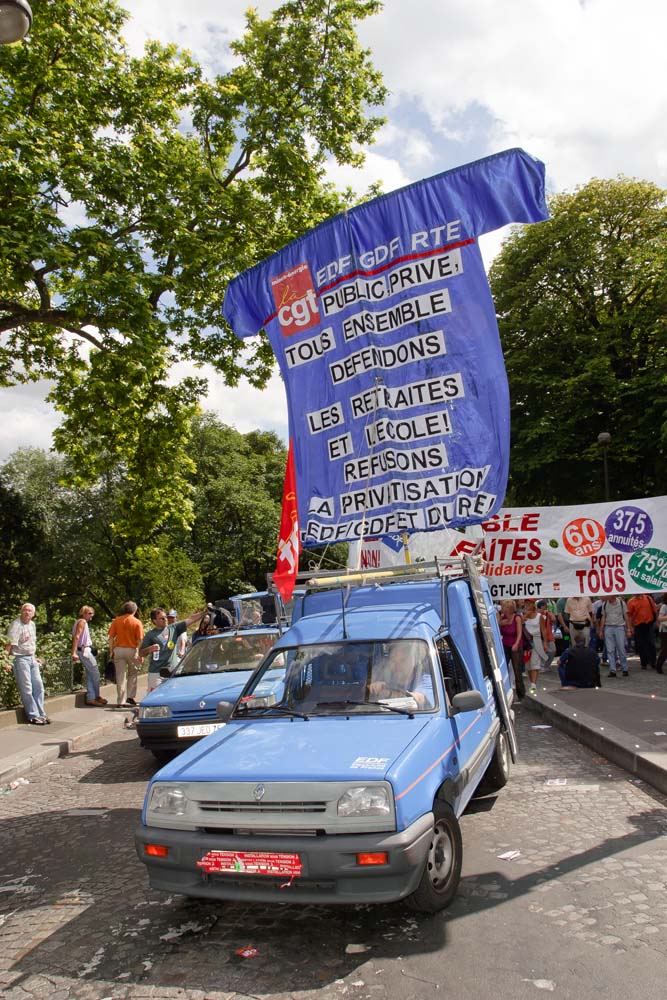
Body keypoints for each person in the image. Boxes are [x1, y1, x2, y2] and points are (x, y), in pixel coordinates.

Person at [140, 606, 211, 692]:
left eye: (165, 617)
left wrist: (204, 612)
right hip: (156, 673)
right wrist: (150, 649)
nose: (165, 619)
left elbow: (191, 619)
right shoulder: (150, 635)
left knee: (172, 697)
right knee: (155, 700)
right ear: (154, 621)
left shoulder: (174, 628)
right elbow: (141, 653)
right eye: (162, 618)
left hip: (172, 672)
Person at [4, 603, 49, 725]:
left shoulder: (32, 624)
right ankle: (33, 715)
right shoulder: (16, 625)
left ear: (33, 614)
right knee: (27, 688)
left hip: (31, 658)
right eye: (25, 610)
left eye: (29, 610)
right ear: (21, 611)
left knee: (38, 686)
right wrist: (6, 661)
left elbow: (31, 642)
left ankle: (41, 713)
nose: (27, 612)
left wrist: (34, 656)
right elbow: (9, 644)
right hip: (20, 659)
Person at [369, 642, 434, 709]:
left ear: (414, 660)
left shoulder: (427, 680)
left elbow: (419, 699)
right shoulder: (387, 679)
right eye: (393, 660)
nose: (397, 665)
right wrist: (374, 688)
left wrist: (390, 693)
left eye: (402, 660)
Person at [108, 601, 144, 708]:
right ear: (135, 610)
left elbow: (111, 638)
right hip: (132, 650)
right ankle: (130, 696)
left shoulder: (116, 621)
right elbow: (140, 639)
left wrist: (111, 650)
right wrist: (139, 653)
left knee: (120, 676)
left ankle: (121, 701)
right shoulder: (137, 622)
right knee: (133, 673)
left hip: (119, 649)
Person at [72, 605, 107, 706]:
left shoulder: (83, 622)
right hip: (84, 651)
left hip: (86, 650)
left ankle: (92, 696)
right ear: (84, 613)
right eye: (89, 613)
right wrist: (73, 652)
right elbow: (76, 637)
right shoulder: (82, 622)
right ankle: (95, 696)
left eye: (92, 613)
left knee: (90, 673)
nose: (91, 616)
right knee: (95, 672)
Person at [598, 595, 631, 677]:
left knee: (621, 648)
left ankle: (625, 668)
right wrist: (601, 630)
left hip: (619, 627)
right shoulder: (605, 604)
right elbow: (603, 617)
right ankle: (612, 670)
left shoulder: (621, 603)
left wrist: (628, 629)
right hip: (608, 627)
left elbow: (626, 616)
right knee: (610, 649)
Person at [498, 600, 525, 700]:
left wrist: (517, 643)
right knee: (503, 668)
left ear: (509, 608)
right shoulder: (503, 618)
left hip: (515, 645)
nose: (502, 609)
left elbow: (519, 633)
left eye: (504, 607)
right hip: (505, 644)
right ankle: (504, 691)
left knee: (517, 670)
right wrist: (500, 622)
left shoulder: (517, 617)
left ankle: (521, 694)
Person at [522, 598, 548, 695]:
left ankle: (533, 684)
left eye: (529, 604)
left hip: (536, 639)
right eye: (526, 604)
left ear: (533, 605)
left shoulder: (539, 616)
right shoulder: (523, 616)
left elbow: (543, 630)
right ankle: (531, 681)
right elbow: (520, 624)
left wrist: (545, 642)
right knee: (528, 664)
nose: (527, 606)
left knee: (535, 663)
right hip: (526, 642)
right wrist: (525, 615)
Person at [627, 593, 658, 670]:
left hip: (649, 624)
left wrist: (657, 622)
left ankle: (653, 661)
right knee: (641, 645)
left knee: (651, 643)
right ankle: (644, 663)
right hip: (638, 625)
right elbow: (629, 616)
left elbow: (655, 610)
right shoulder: (631, 601)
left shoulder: (648, 598)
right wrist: (630, 628)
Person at [655, 594, 667, 674]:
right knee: (665, 649)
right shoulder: (664, 606)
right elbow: (659, 618)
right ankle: (658, 665)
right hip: (664, 630)